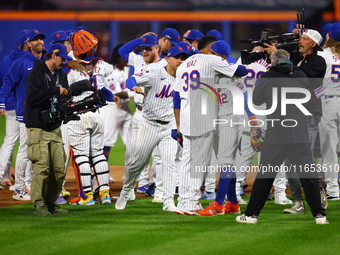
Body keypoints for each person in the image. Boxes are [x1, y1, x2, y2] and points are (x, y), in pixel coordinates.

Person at [236, 49, 329, 224]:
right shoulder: (302, 76)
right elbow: (311, 100)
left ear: (273, 62)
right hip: (299, 133)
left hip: (276, 135)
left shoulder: (268, 77)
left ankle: (250, 216)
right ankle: (319, 215)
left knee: (265, 177)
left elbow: (256, 100)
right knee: (308, 176)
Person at [173, 37, 248, 215]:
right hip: (208, 119)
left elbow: (176, 95)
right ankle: (224, 203)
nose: (221, 59)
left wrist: (178, 124)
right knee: (218, 161)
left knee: (212, 160)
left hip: (226, 117)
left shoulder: (186, 63)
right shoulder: (213, 62)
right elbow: (241, 70)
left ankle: (216, 202)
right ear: (212, 52)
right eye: (220, 56)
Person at [115, 46, 189, 212]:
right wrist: (134, 86)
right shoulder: (155, 73)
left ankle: (168, 202)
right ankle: (126, 191)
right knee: (137, 164)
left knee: (169, 163)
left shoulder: (183, 77)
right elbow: (130, 80)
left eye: (183, 58)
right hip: (149, 124)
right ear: (168, 58)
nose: (180, 61)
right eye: (177, 57)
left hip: (168, 126)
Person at [264, 28, 328, 212]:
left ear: (313, 44)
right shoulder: (296, 56)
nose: (300, 41)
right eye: (301, 38)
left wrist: (278, 57)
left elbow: (300, 78)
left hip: (308, 115)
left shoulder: (318, 61)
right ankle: (298, 201)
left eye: (304, 39)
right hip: (288, 115)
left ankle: (316, 191)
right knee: (290, 161)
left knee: (303, 160)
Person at [67, 29, 119, 206]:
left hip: (78, 116)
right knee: (98, 155)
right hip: (98, 113)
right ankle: (104, 194)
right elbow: (104, 87)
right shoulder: (102, 66)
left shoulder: (69, 67)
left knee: (81, 156)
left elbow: (53, 62)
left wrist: (69, 60)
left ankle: (86, 196)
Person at [24, 43, 72, 216]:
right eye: (62, 59)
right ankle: (39, 204)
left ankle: (51, 203)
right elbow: (32, 97)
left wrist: (68, 110)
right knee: (42, 167)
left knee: (59, 169)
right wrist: (54, 91)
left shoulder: (61, 75)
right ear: (53, 56)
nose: (64, 63)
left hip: (55, 127)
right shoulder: (36, 73)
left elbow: (63, 99)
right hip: (38, 126)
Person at [118, 33, 167, 198]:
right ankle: (130, 191)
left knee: (159, 156)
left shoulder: (164, 65)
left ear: (157, 48)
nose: (144, 52)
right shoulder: (139, 59)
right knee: (131, 152)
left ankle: (160, 192)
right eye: (143, 49)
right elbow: (122, 51)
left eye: (148, 48)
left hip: (156, 113)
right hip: (139, 112)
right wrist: (142, 39)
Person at [0, 29, 46, 201]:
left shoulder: (44, 61)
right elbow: (7, 83)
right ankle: (19, 188)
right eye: (35, 40)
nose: (39, 41)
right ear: (28, 44)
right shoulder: (21, 62)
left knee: (37, 151)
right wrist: (2, 102)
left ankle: (27, 182)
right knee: (25, 150)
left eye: (41, 38)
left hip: (43, 112)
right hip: (25, 113)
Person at [0, 29, 29, 188]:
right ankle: (19, 179)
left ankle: (4, 177)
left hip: (9, 104)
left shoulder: (5, 59)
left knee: (9, 141)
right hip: (19, 105)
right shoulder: (25, 60)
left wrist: (1, 101)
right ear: (26, 44)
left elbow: (1, 82)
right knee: (23, 144)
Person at [318, 23, 340, 200]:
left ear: (328, 36)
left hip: (329, 103)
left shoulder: (323, 55)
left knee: (329, 150)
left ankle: (333, 190)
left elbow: (315, 85)